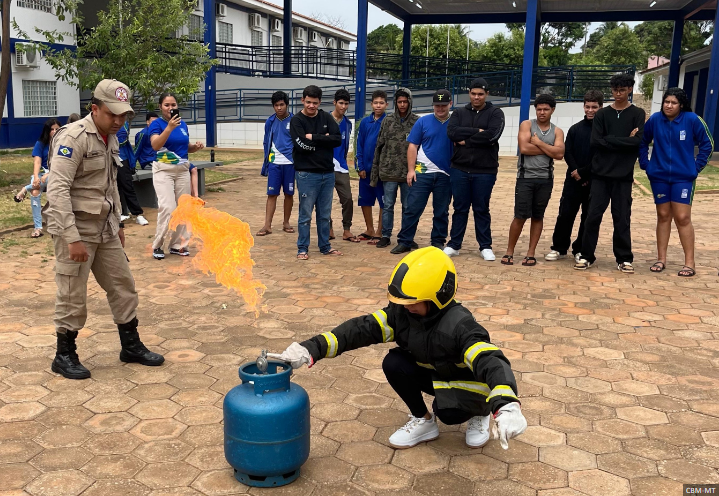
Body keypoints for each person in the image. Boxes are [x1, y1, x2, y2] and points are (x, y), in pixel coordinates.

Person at [269, 247, 527, 449]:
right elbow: (359, 329)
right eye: (402, 301)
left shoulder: (461, 326)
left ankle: (479, 413)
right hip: (438, 375)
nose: (406, 306)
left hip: (467, 382)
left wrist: (506, 404)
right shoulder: (402, 314)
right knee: (393, 363)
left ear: (440, 295)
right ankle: (424, 421)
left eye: (413, 301)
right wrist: (310, 349)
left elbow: (491, 361)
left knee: (448, 412)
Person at [44, 79, 164, 379]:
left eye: (123, 115)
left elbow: (110, 185)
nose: (119, 121)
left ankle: (131, 346)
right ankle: (64, 354)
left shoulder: (110, 136)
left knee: (123, 285)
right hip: (77, 230)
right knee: (72, 293)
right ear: (95, 108)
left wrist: (118, 221)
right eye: (113, 114)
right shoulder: (73, 138)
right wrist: (71, 238)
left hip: (106, 228)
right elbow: (57, 191)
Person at [639, 87, 713, 277]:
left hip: (683, 178)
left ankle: (690, 262)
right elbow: (642, 141)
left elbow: (708, 143)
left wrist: (695, 168)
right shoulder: (655, 119)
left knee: (682, 217)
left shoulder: (692, 120)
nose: (669, 106)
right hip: (660, 177)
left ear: (681, 105)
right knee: (663, 215)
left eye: (673, 103)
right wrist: (646, 164)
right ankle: (661, 259)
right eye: (666, 102)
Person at [575, 74, 645, 273]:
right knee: (593, 215)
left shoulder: (637, 113)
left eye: (622, 90)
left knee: (622, 217)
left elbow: (637, 142)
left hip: (623, 176)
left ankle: (624, 258)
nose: (618, 93)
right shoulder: (602, 114)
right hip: (600, 175)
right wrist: (623, 140)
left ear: (630, 90)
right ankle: (586, 255)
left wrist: (610, 139)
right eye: (615, 90)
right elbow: (596, 142)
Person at [445, 77, 505, 261]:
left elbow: (492, 135)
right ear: (469, 94)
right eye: (473, 93)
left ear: (486, 94)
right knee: (460, 208)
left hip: (485, 171)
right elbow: (452, 132)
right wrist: (477, 131)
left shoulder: (496, 113)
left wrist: (467, 140)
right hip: (460, 169)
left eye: (480, 94)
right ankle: (454, 244)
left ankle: (485, 246)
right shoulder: (459, 113)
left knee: (481, 209)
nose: (476, 97)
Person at [502, 94, 565, 267]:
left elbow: (560, 154)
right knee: (520, 216)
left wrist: (538, 143)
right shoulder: (527, 125)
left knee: (538, 216)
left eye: (546, 109)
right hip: (525, 177)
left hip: (545, 178)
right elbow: (524, 148)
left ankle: (531, 253)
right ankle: (509, 251)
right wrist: (549, 149)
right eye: (539, 109)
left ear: (552, 110)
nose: (542, 112)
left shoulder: (557, 131)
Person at [391, 89, 454, 255]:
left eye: (443, 105)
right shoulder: (423, 122)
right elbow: (413, 146)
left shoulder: (456, 122)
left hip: (446, 174)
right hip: (422, 172)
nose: (440, 108)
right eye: (436, 105)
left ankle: (438, 242)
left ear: (450, 104)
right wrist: (411, 170)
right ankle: (405, 241)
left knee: (441, 211)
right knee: (412, 208)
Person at [545, 90, 603, 263]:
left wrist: (584, 173)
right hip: (573, 179)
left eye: (594, 107)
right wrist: (576, 171)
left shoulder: (603, 131)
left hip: (594, 180)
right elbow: (567, 152)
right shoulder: (575, 128)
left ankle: (581, 249)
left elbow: (602, 156)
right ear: (583, 107)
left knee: (588, 216)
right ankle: (559, 247)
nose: (590, 110)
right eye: (587, 107)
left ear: (601, 107)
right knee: (565, 214)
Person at [149, 93, 205, 260]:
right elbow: (155, 145)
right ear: (160, 107)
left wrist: (195, 147)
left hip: (182, 170)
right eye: (167, 105)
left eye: (173, 105)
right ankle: (157, 245)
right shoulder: (157, 125)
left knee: (183, 209)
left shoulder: (183, 124)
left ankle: (177, 245)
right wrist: (169, 128)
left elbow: (185, 147)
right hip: (163, 170)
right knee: (167, 208)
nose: (171, 108)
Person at [290, 85, 343, 260]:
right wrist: (324, 139)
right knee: (305, 214)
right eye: (308, 102)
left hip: (327, 174)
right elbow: (300, 145)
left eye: (315, 103)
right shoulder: (297, 121)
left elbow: (336, 140)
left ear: (320, 102)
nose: (311, 106)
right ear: (302, 100)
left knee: (324, 214)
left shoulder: (326, 117)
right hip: (306, 174)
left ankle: (325, 246)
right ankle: (302, 248)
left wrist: (313, 137)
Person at [371, 88, 419, 249]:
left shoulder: (417, 122)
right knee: (388, 205)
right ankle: (385, 235)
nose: (402, 105)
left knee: (408, 207)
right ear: (395, 103)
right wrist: (375, 172)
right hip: (389, 171)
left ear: (410, 102)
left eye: (405, 101)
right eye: (399, 102)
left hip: (408, 172)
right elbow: (379, 146)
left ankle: (406, 236)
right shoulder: (388, 121)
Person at [14, 118, 61, 238]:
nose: (55, 131)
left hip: (57, 173)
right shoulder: (40, 143)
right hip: (42, 174)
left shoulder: (63, 143)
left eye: (57, 129)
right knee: (35, 191)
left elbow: (62, 163)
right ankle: (38, 227)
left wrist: (49, 174)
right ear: (47, 131)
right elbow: (37, 162)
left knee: (45, 180)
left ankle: (25, 189)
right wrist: (36, 177)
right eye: (52, 129)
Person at [258, 91, 295, 236]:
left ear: (286, 104)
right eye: (276, 105)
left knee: (289, 194)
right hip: (274, 163)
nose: (279, 108)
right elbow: (266, 141)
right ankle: (267, 225)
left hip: (290, 163)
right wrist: (266, 162)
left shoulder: (295, 120)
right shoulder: (270, 121)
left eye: (281, 105)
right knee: (272, 194)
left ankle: (286, 222)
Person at [355, 89, 388, 244]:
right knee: (365, 200)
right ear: (371, 104)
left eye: (381, 103)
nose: (378, 105)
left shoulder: (388, 122)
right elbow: (359, 145)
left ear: (386, 105)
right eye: (376, 103)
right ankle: (370, 229)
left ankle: (380, 232)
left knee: (383, 201)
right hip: (365, 170)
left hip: (381, 172)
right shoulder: (365, 123)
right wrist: (360, 166)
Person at [329, 89, 359, 243]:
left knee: (347, 199)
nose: (343, 106)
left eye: (346, 104)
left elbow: (346, 146)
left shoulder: (347, 124)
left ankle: (347, 230)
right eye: (340, 103)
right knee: (324, 200)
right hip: (325, 166)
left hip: (341, 167)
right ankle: (328, 228)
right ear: (334, 103)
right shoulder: (324, 119)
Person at [116, 120, 149, 226]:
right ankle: (119, 213)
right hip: (104, 157)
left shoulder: (122, 123)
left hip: (121, 156)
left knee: (127, 185)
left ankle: (138, 214)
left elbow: (121, 137)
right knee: (113, 187)